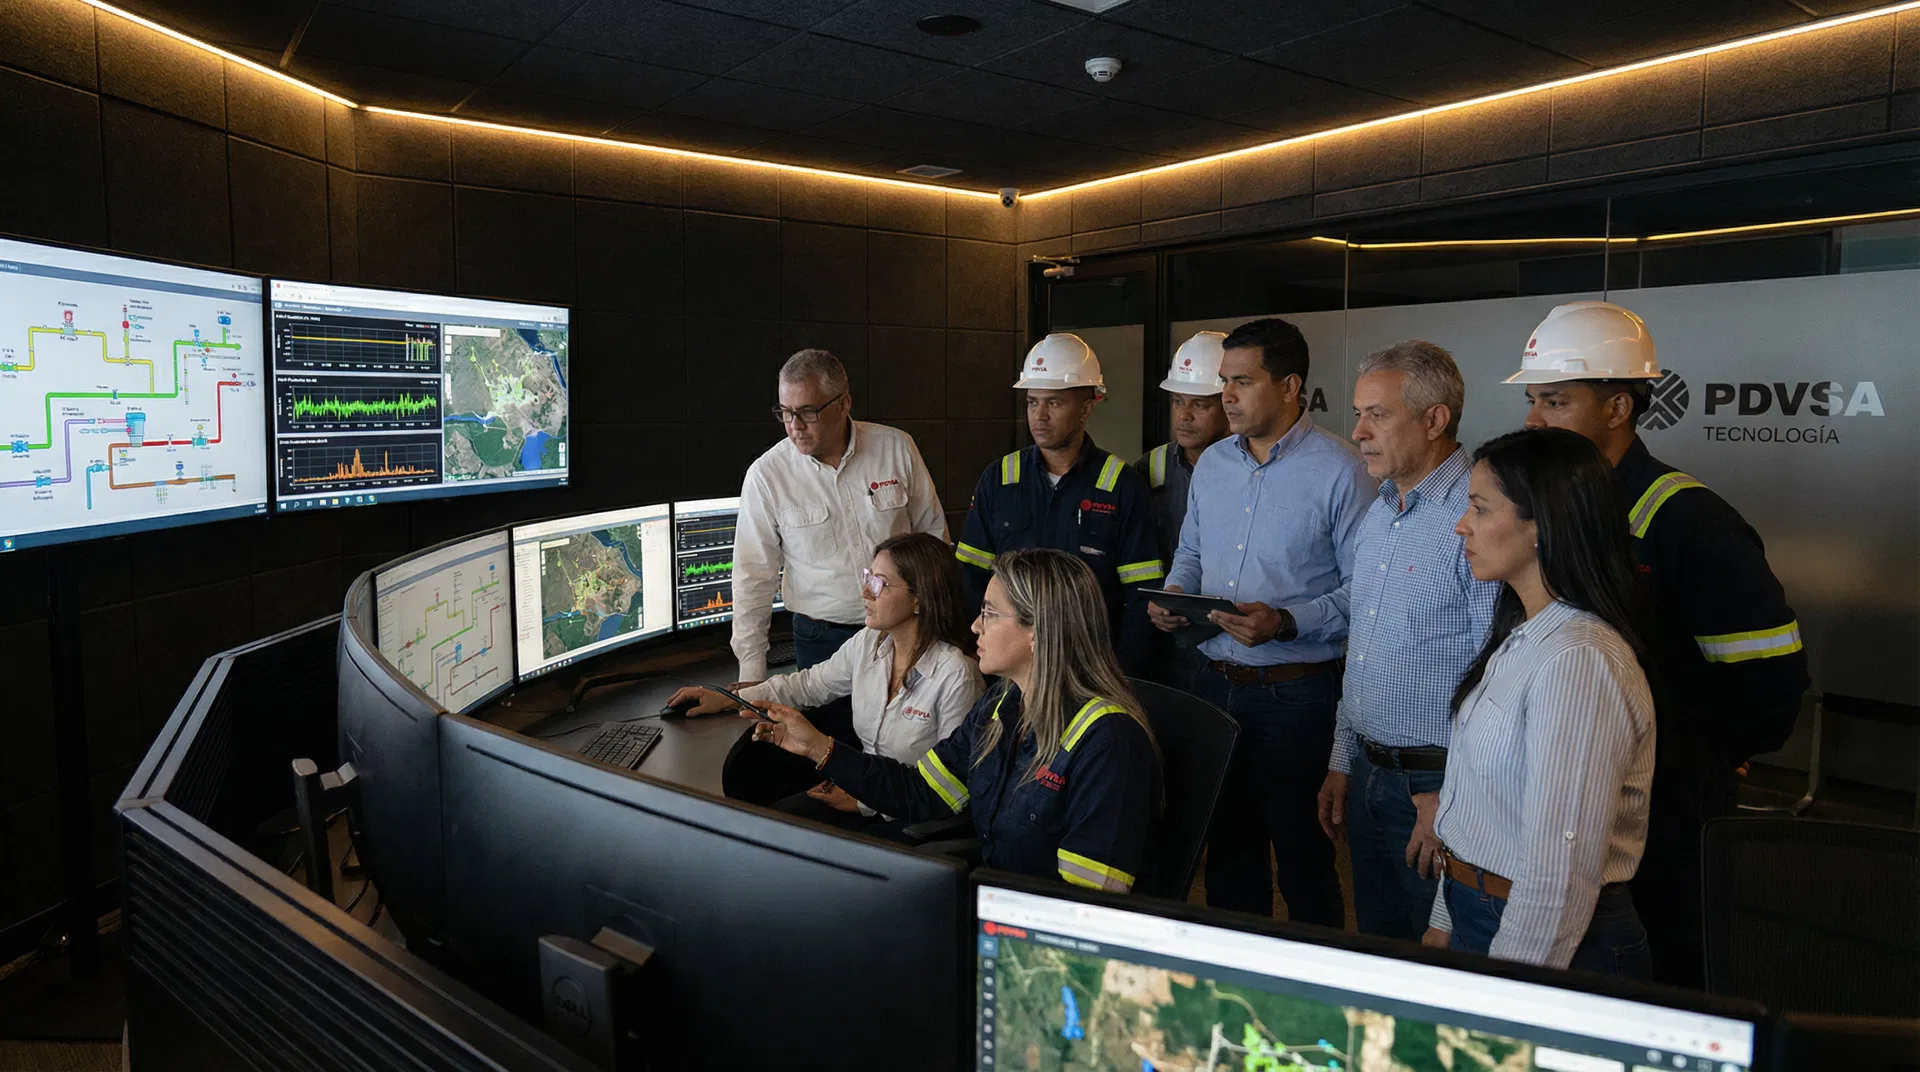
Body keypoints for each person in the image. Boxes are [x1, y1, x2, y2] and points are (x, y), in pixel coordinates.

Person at [1510, 301, 1808, 987]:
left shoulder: (1689, 520)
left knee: (1667, 970)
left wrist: (1705, 757)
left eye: (1554, 401)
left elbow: (1768, 679)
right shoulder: (1564, 511)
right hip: (1574, 795)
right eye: (1533, 401)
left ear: (1617, 408)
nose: (1533, 421)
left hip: (1669, 811)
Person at [747, 548, 1163, 893]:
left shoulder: (1109, 743)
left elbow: (1086, 907)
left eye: (989, 613)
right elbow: (920, 792)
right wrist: (816, 746)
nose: (974, 626)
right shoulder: (1002, 707)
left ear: (1039, 631)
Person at [1149, 317, 1374, 926]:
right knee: (1226, 853)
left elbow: (1365, 593)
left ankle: (1317, 987)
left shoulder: (1342, 470)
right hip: (1213, 683)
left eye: (1242, 382)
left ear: (1290, 385)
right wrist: (1176, 592)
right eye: (1225, 381)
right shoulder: (1214, 465)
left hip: (1296, 694)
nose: (1225, 396)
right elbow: (1191, 552)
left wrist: (1288, 622)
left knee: (1304, 858)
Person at [1421, 427, 1656, 977]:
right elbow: (1477, 802)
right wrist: (1446, 912)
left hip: (1548, 934)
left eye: (1480, 508)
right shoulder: (1525, 634)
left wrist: (1513, 1000)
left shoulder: (1578, 659)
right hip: (1479, 906)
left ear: (1543, 524)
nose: (1462, 526)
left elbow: (1561, 866)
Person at [1315, 340, 1500, 942]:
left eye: (1377, 414)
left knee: (1439, 954)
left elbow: (1490, 672)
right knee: (1379, 942)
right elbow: (1362, 648)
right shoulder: (1383, 511)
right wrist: (1343, 762)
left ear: (1435, 418)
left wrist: (1447, 793)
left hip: (1435, 789)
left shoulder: (1477, 515)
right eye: (1359, 413)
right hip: (1371, 775)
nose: (1359, 431)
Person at [666, 533, 983, 828]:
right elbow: (807, 685)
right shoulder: (869, 643)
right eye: (866, 578)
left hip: (909, 820)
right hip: (864, 788)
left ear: (919, 598)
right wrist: (730, 698)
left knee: (775, 832)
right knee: (763, 821)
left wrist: (865, 803)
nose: (864, 592)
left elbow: (950, 792)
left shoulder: (956, 676)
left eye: (879, 583)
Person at [733, 349, 948, 748]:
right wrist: (753, 669)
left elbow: (933, 543)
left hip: (906, 633)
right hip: (822, 641)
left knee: (908, 753)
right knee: (832, 759)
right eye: (784, 413)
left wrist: (940, 628)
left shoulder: (896, 448)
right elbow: (752, 578)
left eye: (807, 412)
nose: (794, 427)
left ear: (844, 403)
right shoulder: (768, 475)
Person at [955, 333, 1164, 674]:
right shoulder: (1001, 478)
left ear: (1087, 406)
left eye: (1054, 403)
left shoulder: (1120, 485)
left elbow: (1142, 595)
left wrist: (1125, 672)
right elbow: (971, 577)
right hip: (1014, 665)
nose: (1039, 416)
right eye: (1032, 402)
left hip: (1089, 667)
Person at [1134, 331, 1232, 566]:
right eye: (1178, 401)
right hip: (1167, 598)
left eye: (1199, 404)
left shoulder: (1252, 469)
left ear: (1229, 403)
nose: (1183, 416)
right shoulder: (1150, 468)